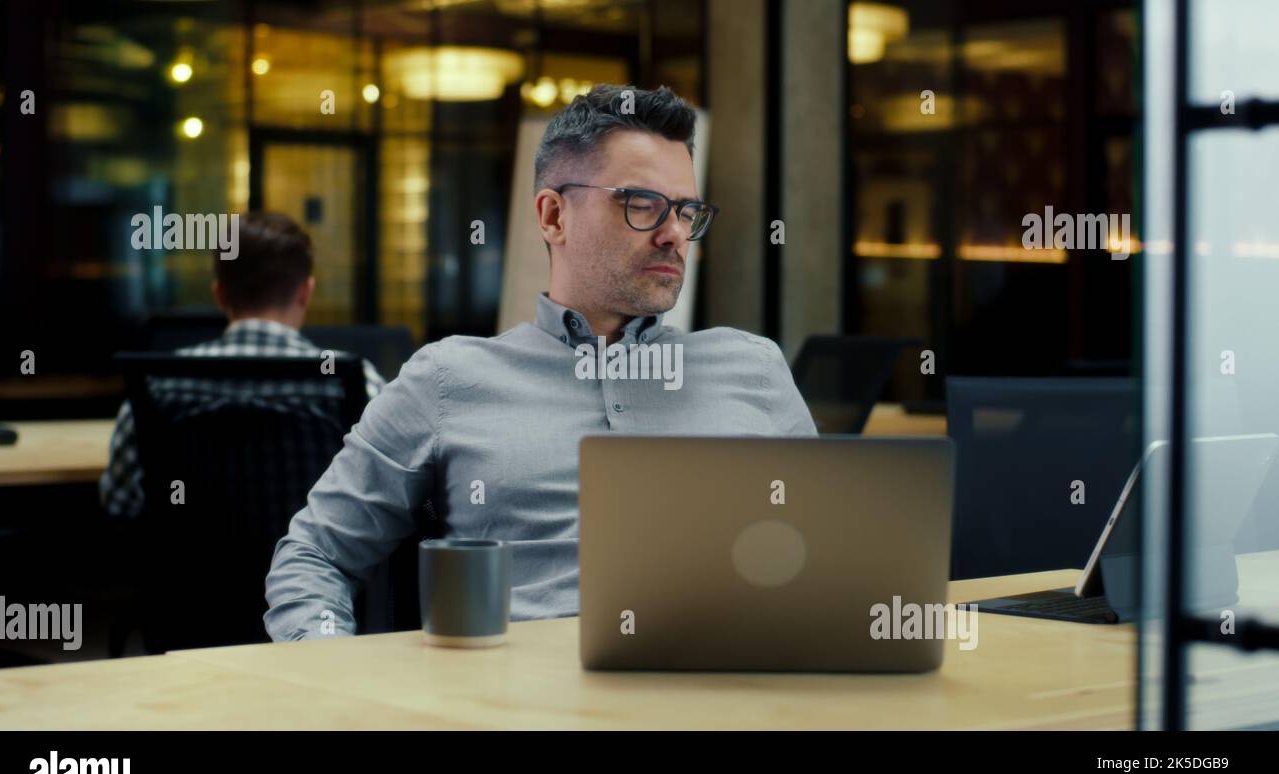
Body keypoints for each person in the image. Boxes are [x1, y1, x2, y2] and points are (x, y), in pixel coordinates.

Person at [264, 84, 816, 640]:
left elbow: (829, 554)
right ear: (554, 216)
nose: (674, 235)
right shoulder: (448, 380)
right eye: (643, 205)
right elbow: (315, 554)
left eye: (687, 211)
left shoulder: (753, 369)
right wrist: (342, 690)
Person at [99, 211, 385, 518]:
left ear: (219, 295)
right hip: (318, 566)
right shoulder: (358, 381)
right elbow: (391, 496)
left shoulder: (158, 385)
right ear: (305, 292)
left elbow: (120, 501)